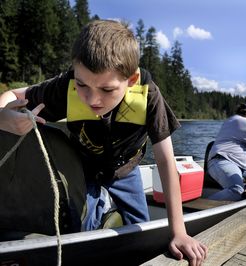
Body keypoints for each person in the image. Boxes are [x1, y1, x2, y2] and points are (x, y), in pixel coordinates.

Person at [0, 19, 207, 265]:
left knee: (140, 240)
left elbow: (164, 160)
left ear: (131, 80)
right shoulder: (64, 87)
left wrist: (179, 232)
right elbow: (11, 95)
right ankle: (98, 210)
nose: (92, 99)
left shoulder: (148, 96)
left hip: (125, 173)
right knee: (79, 229)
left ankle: (106, 207)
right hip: (81, 169)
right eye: (82, 84)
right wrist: (3, 116)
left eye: (107, 90)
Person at [207, 103, 246, 201]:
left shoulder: (230, 121)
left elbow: (240, 146)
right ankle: (202, 207)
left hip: (234, 164)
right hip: (223, 161)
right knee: (236, 190)